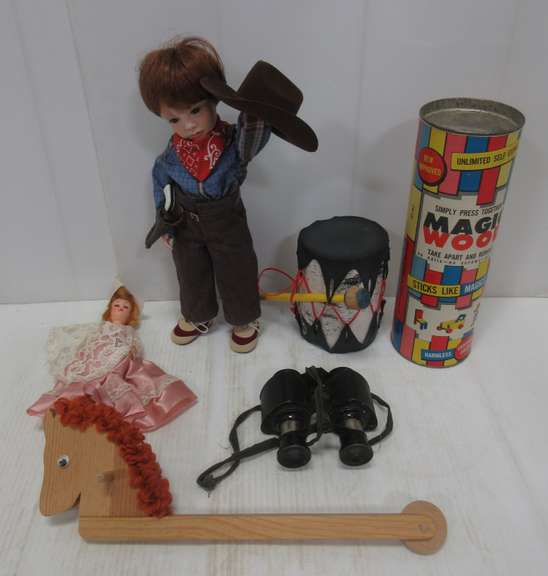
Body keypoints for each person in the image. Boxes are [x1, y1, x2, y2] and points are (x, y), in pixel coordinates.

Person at [139, 37, 318, 353]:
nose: (189, 125)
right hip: (185, 220)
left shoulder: (234, 143)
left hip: (225, 218)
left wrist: (256, 110)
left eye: (196, 110)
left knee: (236, 268)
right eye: (174, 119)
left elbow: (251, 135)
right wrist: (164, 220)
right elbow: (162, 184)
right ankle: (198, 315)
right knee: (190, 270)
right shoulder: (171, 155)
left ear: (214, 101)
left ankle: (244, 318)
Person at [27, 286, 197, 432]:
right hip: (94, 359)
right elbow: (86, 341)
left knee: (117, 383)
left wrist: (128, 353)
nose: (120, 308)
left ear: (131, 314)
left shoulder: (128, 332)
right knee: (81, 382)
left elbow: (134, 347)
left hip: (118, 362)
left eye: (125, 307)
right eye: (117, 305)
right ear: (110, 309)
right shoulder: (100, 328)